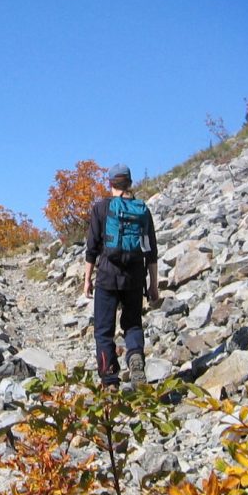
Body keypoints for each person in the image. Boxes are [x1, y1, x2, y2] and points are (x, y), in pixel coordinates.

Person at [83, 163, 159, 387]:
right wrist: (153, 284)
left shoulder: (101, 208)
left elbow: (92, 248)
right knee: (133, 324)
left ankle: (110, 380)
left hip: (107, 276)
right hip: (135, 276)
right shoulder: (142, 210)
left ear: (111, 183)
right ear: (130, 182)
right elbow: (151, 251)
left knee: (104, 331)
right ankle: (135, 356)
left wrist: (87, 280)